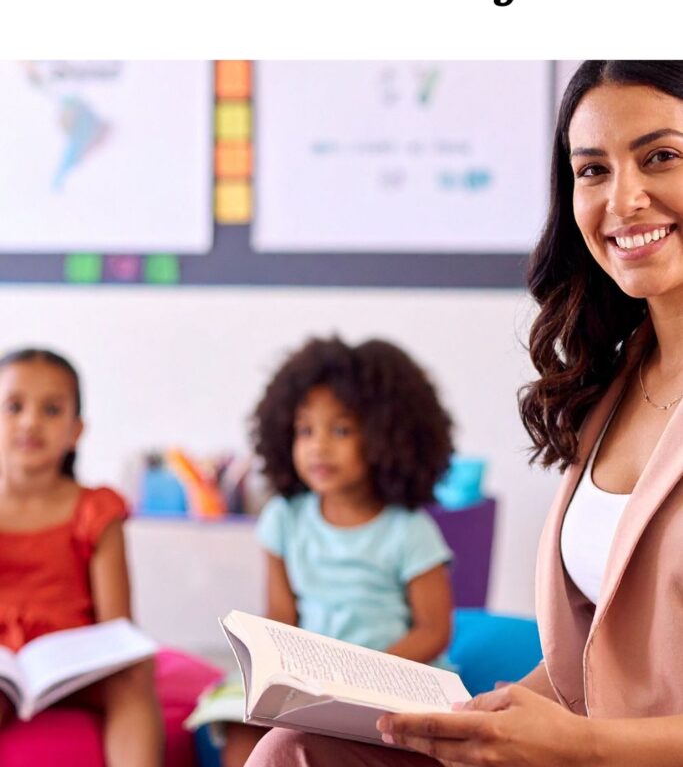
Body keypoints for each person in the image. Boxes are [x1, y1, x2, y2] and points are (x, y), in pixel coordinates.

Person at [246, 60, 683, 767]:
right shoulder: (613, 381)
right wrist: (488, 719)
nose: (622, 198)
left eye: (659, 156)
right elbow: (590, 669)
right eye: (592, 170)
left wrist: (579, 745)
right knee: (292, 747)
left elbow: (590, 726)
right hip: (580, 749)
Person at [222, 336, 455, 767]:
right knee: (239, 733)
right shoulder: (285, 519)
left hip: (394, 686)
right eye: (305, 430)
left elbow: (433, 630)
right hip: (311, 688)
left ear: (387, 436)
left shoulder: (409, 530)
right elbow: (280, 619)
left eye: (341, 429)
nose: (319, 446)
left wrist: (363, 678)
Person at [0, 348, 162, 767]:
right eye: (14, 406)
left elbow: (117, 628)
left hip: (74, 666)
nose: (31, 421)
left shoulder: (97, 511)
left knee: (132, 676)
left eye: (51, 410)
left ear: (76, 430)